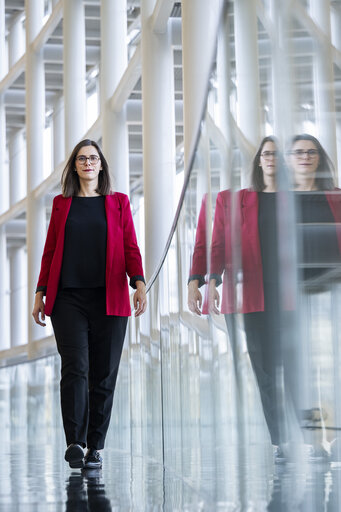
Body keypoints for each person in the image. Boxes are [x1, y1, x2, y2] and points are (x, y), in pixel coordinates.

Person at [32, 139, 147, 470]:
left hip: (109, 298)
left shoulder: (119, 203)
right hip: (68, 298)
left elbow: (130, 248)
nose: (88, 163)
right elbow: (50, 251)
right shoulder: (61, 204)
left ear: (101, 165)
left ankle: (95, 445)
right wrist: (40, 291)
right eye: (82, 159)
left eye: (93, 158)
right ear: (75, 166)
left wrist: (138, 283)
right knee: (75, 367)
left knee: (104, 373)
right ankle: (75, 442)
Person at [208, 136, 294, 455]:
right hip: (253, 298)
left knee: (295, 366)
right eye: (266, 154)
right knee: (265, 371)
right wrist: (212, 280)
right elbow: (219, 245)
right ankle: (281, 441)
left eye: (277, 154)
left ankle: (312, 435)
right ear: (259, 160)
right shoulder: (239, 201)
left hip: (290, 298)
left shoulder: (295, 199)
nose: (271, 158)